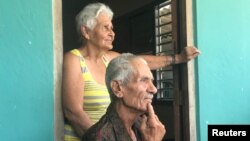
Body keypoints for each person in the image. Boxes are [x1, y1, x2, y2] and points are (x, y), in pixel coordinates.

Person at [62, 2, 200, 141]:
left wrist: (177, 58)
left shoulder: (110, 58)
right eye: (106, 28)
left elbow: (138, 63)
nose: (112, 33)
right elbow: (74, 113)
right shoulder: (74, 60)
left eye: (112, 28)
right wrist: (102, 137)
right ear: (86, 31)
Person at [82, 53, 166, 141]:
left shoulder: (145, 127)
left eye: (151, 81)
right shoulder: (98, 137)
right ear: (117, 88)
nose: (154, 89)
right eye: (143, 80)